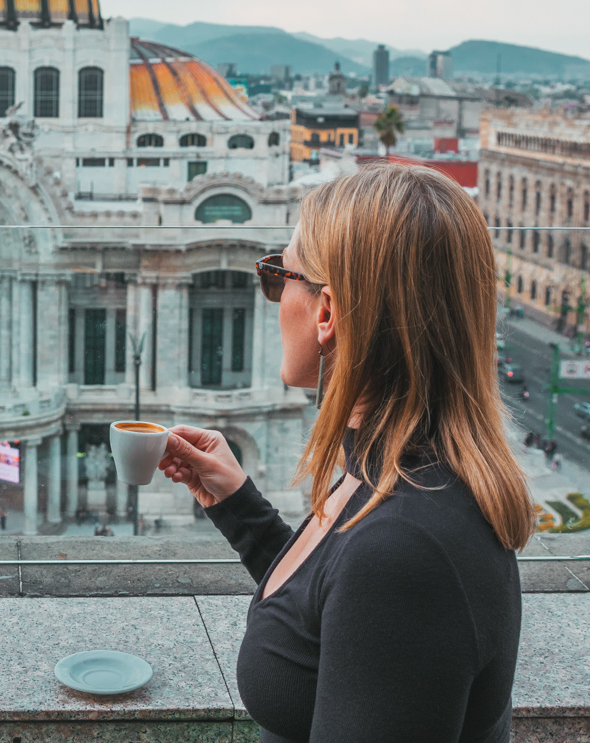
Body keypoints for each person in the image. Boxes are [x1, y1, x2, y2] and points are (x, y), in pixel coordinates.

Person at [159, 165, 532, 743]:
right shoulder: (408, 471)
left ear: (327, 311)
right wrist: (239, 505)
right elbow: (337, 616)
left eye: (280, 275)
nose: (275, 297)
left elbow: (375, 583)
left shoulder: (404, 544)